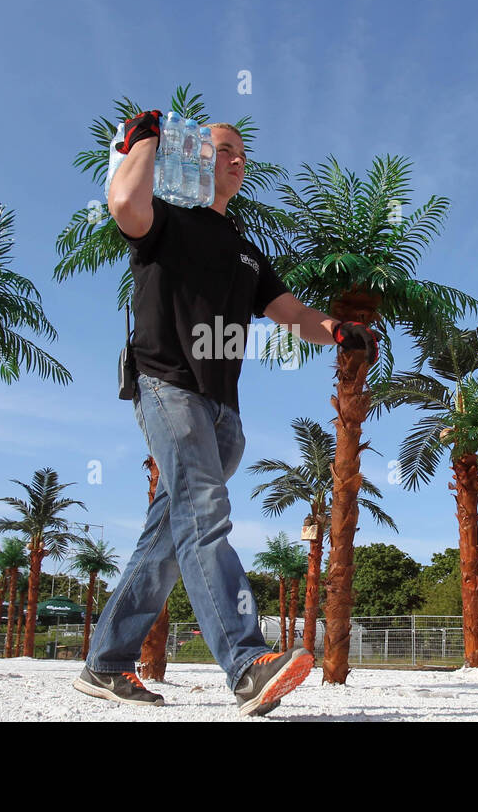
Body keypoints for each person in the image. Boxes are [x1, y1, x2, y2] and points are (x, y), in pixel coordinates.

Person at [72, 110, 378, 717]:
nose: (237, 160)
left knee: (168, 535)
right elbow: (123, 202)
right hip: (168, 386)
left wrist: (337, 329)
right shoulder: (166, 218)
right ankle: (245, 663)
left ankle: (105, 661)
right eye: (223, 150)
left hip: (223, 415)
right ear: (189, 156)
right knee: (205, 515)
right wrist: (142, 141)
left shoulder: (244, 248)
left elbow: (288, 311)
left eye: (242, 154)